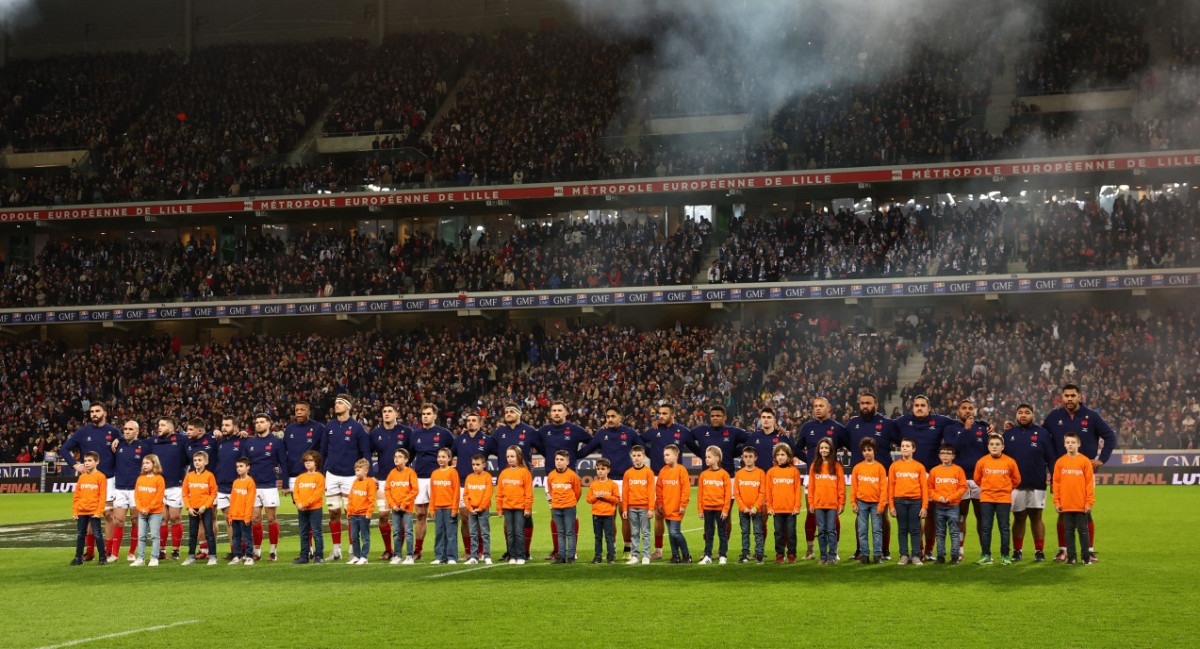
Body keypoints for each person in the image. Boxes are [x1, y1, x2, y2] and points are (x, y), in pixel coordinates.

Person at [1043, 383, 1115, 563]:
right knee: (1062, 512)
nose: (1069, 399)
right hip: (1061, 472)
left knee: (1086, 511)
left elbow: (1110, 436)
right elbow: (1042, 437)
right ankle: (1063, 550)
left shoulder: (1092, 416)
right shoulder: (1054, 416)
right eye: (1066, 395)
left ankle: (1088, 550)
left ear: (1080, 397)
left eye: (1072, 395)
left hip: (1084, 473)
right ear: (1062, 397)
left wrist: (1101, 459)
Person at [894, 395, 953, 560]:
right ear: (912, 407)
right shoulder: (902, 421)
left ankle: (928, 550)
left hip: (932, 474)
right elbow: (885, 426)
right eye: (916, 405)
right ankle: (916, 550)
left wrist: (985, 425)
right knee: (914, 515)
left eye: (922, 405)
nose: (919, 408)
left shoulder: (940, 421)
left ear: (929, 408)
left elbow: (959, 424)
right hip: (910, 475)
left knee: (930, 514)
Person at [60, 404, 119, 562]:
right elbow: (64, 449)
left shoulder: (114, 431)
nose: (94, 414)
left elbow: (124, 444)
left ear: (104, 413)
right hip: (89, 479)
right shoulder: (83, 431)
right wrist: (75, 465)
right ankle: (90, 551)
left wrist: (118, 440)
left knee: (108, 514)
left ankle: (107, 551)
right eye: (92, 411)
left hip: (109, 479)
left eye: (97, 411)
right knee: (87, 514)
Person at [578, 405, 638, 559]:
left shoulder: (630, 433)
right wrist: (571, 456)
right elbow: (586, 450)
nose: (609, 419)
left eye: (613, 416)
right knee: (610, 516)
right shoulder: (602, 433)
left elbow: (643, 448)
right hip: (607, 481)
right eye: (607, 417)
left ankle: (628, 548)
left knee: (625, 516)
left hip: (625, 480)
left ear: (620, 417)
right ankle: (613, 549)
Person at [535, 401, 591, 561]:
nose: (557, 413)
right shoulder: (544, 430)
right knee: (554, 513)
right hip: (550, 477)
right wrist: (546, 454)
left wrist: (577, 454)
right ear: (550, 414)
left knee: (572, 513)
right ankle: (557, 551)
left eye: (560, 410)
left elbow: (592, 442)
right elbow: (537, 444)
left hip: (569, 476)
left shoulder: (574, 429)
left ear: (566, 413)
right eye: (554, 410)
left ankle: (573, 551)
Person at [640, 402, 696, 559]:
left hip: (676, 478)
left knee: (674, 513)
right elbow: (637, 440)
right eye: (659, 413)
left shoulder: (683, 432)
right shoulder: (654, 431)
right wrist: (651, 453)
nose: (661, 416)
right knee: (659, 514)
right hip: (658, 476)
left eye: (664, 413)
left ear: (673, 415)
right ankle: (659, 550)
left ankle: (679, 553)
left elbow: (695, 447)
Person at [845, 393, 897, 560]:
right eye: (862, 403)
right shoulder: (853, 423)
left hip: (882, 476)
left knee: (882, 514)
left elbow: (902, 441)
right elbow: (844, 442)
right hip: (860, 476)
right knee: (859, 514)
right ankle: (861, 550)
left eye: (868, 403)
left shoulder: (887, 424)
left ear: (876, 404)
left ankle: (884, 550)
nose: (865, 406)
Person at [1003, 404, 1054, 562]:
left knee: (1036, 517)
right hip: (1014, 486)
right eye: (1020, 413)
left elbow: (1051, 458)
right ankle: (1017, 551)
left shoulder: (1043, 434)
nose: (1023, 415)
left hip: (1037, 483)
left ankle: (1039, 551)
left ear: (1033, 415)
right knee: (1018, 518)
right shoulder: (1008, 434)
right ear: (1016, 416)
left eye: (1027, 413)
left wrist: (1054, 479)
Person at [797, 397, 846, 560]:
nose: (818, 408)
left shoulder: (837, 428)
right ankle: (811, 550)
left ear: (829, 408)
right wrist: (812, 461)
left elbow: (851, 446)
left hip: (830, 474)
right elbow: (797, 449)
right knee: (811, 512)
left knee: (833, 514)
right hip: (813, 475)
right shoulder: (807, 427)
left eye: (821, 406)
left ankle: (835, 551)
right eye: (815, 406)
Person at [323, 396, 371, 561]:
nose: (336, 405)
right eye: (335, 402)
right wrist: (323, 473)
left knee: (351, 514)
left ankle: (353, 549)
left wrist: (366, 476)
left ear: (348, 407)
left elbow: (366, 453)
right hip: (331, 475)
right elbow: (323, 451)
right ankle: (336, 550)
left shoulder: (358, 428)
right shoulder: (329, 426)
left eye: (340, 403)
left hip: (351, 477)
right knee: (333, 513)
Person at [943, 399, 990, 558]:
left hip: (979, 480)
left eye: (970, 408)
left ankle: (985, 551)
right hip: (959, 479)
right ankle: (959, 550)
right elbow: (951, 448)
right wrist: (966, 429)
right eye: (964, 408)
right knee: (960, 516)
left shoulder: (982, 429)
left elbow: (987, 453)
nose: (968, 411)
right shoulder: (950, 429)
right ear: (958, 411)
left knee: (981, 516)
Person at [493, 403, 537, 560]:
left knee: (526, 517)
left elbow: (542, 447)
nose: (508, 414)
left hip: (522, 477)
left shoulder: (530, 431)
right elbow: (490, 447)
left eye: (512, 411)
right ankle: (510, 551)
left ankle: (526, 551)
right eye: (506, 411)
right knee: (509, 520)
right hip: (505, 477)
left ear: (519, 414)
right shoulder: (499, 432)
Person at [410, 402, 454, 561]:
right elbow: (410, 455)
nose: (425, 416)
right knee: (421, 514)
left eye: (428, 414)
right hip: (420, 477)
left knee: (443, 515)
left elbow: (453, 449)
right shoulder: (415, 434)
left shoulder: (444, 433)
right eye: (423, 414)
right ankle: (418, 550)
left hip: (439, 478)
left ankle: (448, 551)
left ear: (435, 416)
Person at [284, 402, 326, 560]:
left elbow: (322, 450)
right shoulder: (289, 429)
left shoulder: (318, 428)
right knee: (302, 519)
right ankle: (307, 552)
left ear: (309, 411)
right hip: (297, 476)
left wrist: (319, 471)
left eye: (302, 410)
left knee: (314, 526)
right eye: (296, 410)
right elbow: (286, 455)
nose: (299, 412)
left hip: (313, 475)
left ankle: (318, 554)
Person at [243, 413, 286, 561]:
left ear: (269, 424)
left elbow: (283, 463)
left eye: (262, 422)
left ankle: (273, 551)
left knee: (271, 518)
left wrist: (282, 477)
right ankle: (257, 551)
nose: (258, 424)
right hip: (253, 486)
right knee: (255, 519)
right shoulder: (249, 443)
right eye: (256, 422)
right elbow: (243, 464)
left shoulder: (277, 442)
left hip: (269, 485)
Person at [973, 433, 1021, 565]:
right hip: (987, 498)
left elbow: (1016, 480)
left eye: (997, 444)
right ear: (988, 447)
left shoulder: (1010, 462)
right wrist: (988, 488)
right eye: (992, 444)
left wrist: (1005, 490)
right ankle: (986, 555)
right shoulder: (982, 461)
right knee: (986, 528)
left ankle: (1005, 556)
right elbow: (977, 479)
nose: (994, 447)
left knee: (1004, 528)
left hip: (1003, 499)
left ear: (1003, 447)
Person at [455, 413, 496, 562]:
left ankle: (482, 551)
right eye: (468, 421)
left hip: (479, 483)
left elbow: (501, 453)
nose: (470, 423)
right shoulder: (460, 439)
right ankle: (469, 551)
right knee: (465, 518)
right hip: (462, 483)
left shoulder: (487, 440)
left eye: (474, 421)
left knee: (479, 518)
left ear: (480, 423)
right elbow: (449, 455)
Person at [1052, 432, 1096, 565]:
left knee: (1083, 531)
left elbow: (1089, 484)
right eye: (1067, 442)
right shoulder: (1060, 462)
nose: (1070, 444)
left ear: (1079, 444)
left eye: (1073, 442)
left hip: (1081, 504)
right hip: (1066, 504)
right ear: (1064, 444)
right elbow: (1056, 483)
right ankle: (1071, 557)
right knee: (1068, 531)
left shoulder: (1084, 461)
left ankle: (1085, 557)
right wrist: (1057, 502)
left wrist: (1089, 502)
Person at [150, 418, 189, 560]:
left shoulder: (182, 439)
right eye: (158, 424)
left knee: (175, 517)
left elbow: (199, 436)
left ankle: (176, 550)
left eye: (162, 425)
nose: (159, 427)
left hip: (176, 485)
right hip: (158, 486)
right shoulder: (153, 441)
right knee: (162, 519)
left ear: (172, 429)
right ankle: (162, 550)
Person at [110, 420, 148, 562]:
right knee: (118, 521)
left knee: (135, 520)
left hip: (136, 489)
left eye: (130, 429)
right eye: (125, 429)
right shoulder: (118, 445)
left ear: (137, 431)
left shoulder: (144, 446)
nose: (126, 431)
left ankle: (132, 552)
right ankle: (115, 554)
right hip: (119, 488)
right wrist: (118, 439)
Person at [887, 438, 928, 565]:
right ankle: (904, 555)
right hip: (899, 501)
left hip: (915, 501)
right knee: (902, 530)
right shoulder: (894, 466)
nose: (904, 448)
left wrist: (924, 506)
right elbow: (891, 488)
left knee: (915, 529)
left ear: (913, 449)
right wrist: (891, 506)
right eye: (903, 446)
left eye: (907, 446)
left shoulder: (919, 466)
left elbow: (924, 488)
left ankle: (916, 555)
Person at [212, 416, 247, 560]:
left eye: (227, 425)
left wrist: (245, 433)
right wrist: (212, 432)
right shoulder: (219, 442)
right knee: (229, 520)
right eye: (222, 425)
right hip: (221, 486)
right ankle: (235, 550)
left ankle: (244, 550)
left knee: (241, 520)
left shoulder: (243, 441)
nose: (224, 427)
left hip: (237, 486)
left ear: (236, 427)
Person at [807, 438, 845, 564]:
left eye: (826, 448)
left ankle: (832, 556)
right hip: (818, 504)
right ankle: (823, 556)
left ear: (830, 450)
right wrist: (811, 503)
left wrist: (841, 503)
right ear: (818, 450)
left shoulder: (836, 466)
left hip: (832, 504)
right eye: (821, 448)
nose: (824, 450)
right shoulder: (814, 466)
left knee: (831, 531)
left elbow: (841, 486)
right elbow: (811, 487)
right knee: (821, 531)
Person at [927, 444, 967, 564]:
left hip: (953, 506)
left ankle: (955, 556)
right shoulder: (934, 471)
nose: (945, 455)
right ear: (939, 456)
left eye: (948, 453)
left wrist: (950, 498)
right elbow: (929, 489)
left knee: (954, 532)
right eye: (943, 453)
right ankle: (940, 556)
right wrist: (938, 498)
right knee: (940, 532)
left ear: (953, 456)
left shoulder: (958, 470)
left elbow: (963, 487)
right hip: (939, 506)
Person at [850, 438, 887, 564]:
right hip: (861, 503)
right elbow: (854, 487)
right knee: (862, 530)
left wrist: (882, 505)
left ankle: (877, 555)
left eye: (869, 450)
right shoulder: (857, 468)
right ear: (862, 452)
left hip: (876, 503)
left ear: (874, 451)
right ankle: (864, 555)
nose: (867, 452)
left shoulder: (880, 468)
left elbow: (883, 488)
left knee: (877, 530)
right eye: (865, 450)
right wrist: (853, 503)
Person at [184, 419, 216, 559]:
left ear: (200, 431)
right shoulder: (187, 443)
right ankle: (204, 549)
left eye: (191, 430)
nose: (187, 432)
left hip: (211, 482)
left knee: (211, 518)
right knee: (199, 520)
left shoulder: (213, 439)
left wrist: (243, 432)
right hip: (195, 484)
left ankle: (211, 548)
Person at [765, 443, 802, 563]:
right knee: (778, 533)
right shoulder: (771, 472)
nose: (780, 457)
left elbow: (797, 491)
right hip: (777, 509)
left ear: (789, 456)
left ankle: (792, 555)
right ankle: (779, 554)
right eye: (778, 455)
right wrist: (769, 507)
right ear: (775, 457)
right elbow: (768, 491)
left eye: (783, 454)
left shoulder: (794, 471)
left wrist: (797, 506)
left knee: (791, 533)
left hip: (791, 509)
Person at [497, 445, 533, 565]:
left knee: (519, 532)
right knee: (510, 533)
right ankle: (512, 556)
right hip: (507, 507)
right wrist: (499, 508)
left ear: (519, 456)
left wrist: (527, 508)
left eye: (512, 456)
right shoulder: (504, 473)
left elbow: (529, 492)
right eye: (508, 457)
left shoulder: (524, 472)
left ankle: (521, 556)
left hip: (520, 508)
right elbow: (499, 493)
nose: (510, 459)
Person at [70, 451, 107, 566]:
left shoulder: (101, 477)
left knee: (97, 534)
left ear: (97, 462)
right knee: (81, 534)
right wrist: (75, 511)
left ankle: (102, 557)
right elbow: (77, 496)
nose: (86, 463)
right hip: (82, 510)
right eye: (85, 461)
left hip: (94, 511)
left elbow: (102, 496)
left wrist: (99, 511)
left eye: (90, 461)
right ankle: (78, 558)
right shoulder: (82, 477)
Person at [181, 451, 218, 566]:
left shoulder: (209, 475)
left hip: (205, 508)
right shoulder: (189, 476)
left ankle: (212, 556)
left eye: (199, 460)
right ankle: (191, 556)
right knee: (192, 534)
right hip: (193, 508)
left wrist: (205, 506)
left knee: (209, 533)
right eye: (195, 460)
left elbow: (213, 493)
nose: (197, 462)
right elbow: (184, 493)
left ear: (206, 462)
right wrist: (188, 507)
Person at [656, 444, 691, 564]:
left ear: (676, 455)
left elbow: (686, 489)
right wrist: (660, 503)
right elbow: (659, 488)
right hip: (666, 507)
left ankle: (686, 555)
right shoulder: (663, 471)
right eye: (664, 455)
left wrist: (683, 505)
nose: (665, 457)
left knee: (674, 532)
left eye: (667, 455)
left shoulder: (681, 470)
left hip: (677, 507)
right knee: (671, 533)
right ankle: (675, 556)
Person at [546, 449, 583, 564]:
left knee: (570, 532)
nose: (559, 462)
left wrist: (571, 502)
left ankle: (571, 556)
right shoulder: (551, 475)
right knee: (560, 532)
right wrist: (556, 502)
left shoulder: (572, 475)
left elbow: (578, 491)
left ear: (567, 462)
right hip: (556, 507)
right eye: (557, 459)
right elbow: (551, 491)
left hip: (569, 507)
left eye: (561, 460)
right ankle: (561, 556)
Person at [622, 445, 656, 565]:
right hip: (631, 507)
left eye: (639, 456)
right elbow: (625, 492)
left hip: (644, 507)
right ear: (631, 456)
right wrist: (625, 508)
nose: (636, 458)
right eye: (634, 456)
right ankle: (635, 555)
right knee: (634, 532)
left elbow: (652, 492)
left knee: (646, 532)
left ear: (644, 456)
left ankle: (646, 555)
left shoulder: (648, 472)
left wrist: (651, 508)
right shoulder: (628, 473)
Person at [697, 446, 731, 565]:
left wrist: (725, 509)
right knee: (709, 533)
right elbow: (700, 494)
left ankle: (723, 555)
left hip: (720, 509)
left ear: (717, 458)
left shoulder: (724, 475)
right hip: (707, 508)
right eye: (706, 457)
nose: (706, 459)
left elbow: (728, 495)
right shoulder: (703, 475)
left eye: (709, 457)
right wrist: (700, 509)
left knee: (722, 532)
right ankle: (707, 555)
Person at [733, 445, 767, 564]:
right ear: (742, 458)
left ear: (755, 458)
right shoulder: (739, 474)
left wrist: (755, 507)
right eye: (746, 457)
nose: (748, 459)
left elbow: (762, 492)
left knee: (758, 533)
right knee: (745, 533)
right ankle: (745, 555)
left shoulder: (760, 473)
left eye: (750, 457)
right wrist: (743, 508)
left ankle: (759, 555)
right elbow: (736, 494)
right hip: (744, 511)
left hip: (756, 511)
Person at [385, 449, 419, 565]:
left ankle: (409, 556)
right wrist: (393, 504)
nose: (396, 459)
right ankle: (397, 555)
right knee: (396, 532)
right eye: (395, 456)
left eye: (400, 456)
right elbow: (387, 490)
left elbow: (415, 490)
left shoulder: (410, 473)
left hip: (406, 508)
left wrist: (404, 504)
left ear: (406, 460)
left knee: (408, 531)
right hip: (395, 508)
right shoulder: (392, 473)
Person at [292, 450, 326, 565]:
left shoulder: (320, 477)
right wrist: (298, 503)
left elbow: (317, 495)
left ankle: (319, 556)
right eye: (306, 461)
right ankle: (304, 556)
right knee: (303, 533)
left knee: (317, 533)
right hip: (302, 509)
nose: (307, 463)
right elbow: (295, 492)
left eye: (310, 461)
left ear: (316, 462)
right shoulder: (301, 477)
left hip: (315, 509)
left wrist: (304, 504)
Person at [131, 454, 164, 567]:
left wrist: (148, 508)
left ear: (154, 464)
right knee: (141, 536)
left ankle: (154, 558)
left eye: (147, 463)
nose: (144, 465)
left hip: (155, 513)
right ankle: (140, 558)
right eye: (143, 463)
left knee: (154, 536)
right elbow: (137, 496)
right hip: (142, 512)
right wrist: (141, 509)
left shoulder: (159, 479)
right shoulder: (140, 479)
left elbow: (158, 497)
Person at [429, 447, 461, 565]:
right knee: (439, 533)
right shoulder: (434, 473)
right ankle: (440, 557)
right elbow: (432, 492)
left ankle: (452, 557)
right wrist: (432, 508)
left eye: (443, 457)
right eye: (439, 457)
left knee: (451, 534)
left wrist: (454, 509)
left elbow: (456, 492)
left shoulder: (453, 472)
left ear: (449, 458)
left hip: (449, 508)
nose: (441, 459)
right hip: (437, 508)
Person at [586, 458, 620, 564]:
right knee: (598, 537)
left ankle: (610, 557)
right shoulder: (593, 484)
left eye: (603, 469)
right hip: (596, 514)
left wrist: (604, 496)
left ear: (608, 470)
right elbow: (588, 499)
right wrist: (596, 497)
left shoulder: (613, 485)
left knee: (609, 537)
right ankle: (598, 557)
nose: (600, 471)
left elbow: (616, 499)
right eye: (598, 469)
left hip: (608, 514)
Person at [463, 453, 495, 565]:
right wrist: (470, 507)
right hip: (472, 510)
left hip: (483, 510)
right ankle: (474, 557)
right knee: (473, 534)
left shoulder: (487, 477)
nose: (475, 467)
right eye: (473, 464)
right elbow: (465, 494)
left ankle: (487, 556)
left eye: (477, 464)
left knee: (485, 533)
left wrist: (480, 508)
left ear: (484, 465)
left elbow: (488, 494)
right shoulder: (469, 477)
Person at [346, 458, 377, 565]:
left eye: (358, 470)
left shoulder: (370, 483)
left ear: (366, 471)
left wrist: (369, 512)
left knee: (365, 537)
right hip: (354, 514)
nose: (356, 472)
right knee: (354, 536)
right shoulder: (355, 482)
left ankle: (364, 557)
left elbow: (372, 499)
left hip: (364, 515)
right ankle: (356, 556)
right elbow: (351, 498)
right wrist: (349, 512)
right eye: (355, 470)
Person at [228, 458, 256, 565]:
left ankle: (249, 556)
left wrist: (247, 516)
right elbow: (233, 500)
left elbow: (250, 501)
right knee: (235, 537)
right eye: (237, 467)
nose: (239, 469)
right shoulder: (235, 482)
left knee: (247, 537)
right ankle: (237, 556)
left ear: (248, 467)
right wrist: (230, 516)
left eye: (241, 466)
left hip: (244, 516)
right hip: (235, 515)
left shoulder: (250, 482)